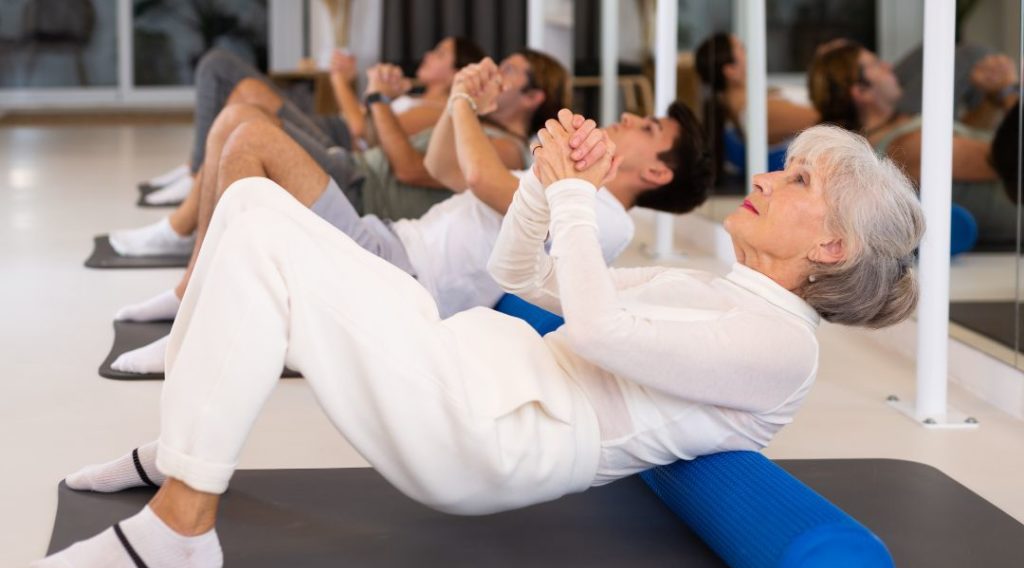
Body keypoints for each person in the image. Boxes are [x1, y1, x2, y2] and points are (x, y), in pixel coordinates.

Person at [32, 116, 923, 568]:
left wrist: (576, 196)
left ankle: (184, 527)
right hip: (467, 358)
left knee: (266, 236)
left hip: (492, 430)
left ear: (832, 248)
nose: (766, 177)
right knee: (252, 209)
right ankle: (172, 448)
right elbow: (519, 279)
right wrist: (545, 186)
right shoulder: (719, 289)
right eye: (786, 167)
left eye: (797, 181)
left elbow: (596, 330)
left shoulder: (782, 347)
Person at [106, 58, 711, 375]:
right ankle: (192, 298)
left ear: (656, 173)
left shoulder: (605, 218)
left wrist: (465, 105)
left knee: (250, 138)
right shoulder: (573, 183)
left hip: (399, 279)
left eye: (648, 128)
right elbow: (448, 168)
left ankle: (196, 326)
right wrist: (458, 101)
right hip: (388, 244)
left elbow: (479, 176)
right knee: (242, 125)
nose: (630, 120)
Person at [110, 49, 563, 261]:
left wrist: (376, 97)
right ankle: (188, 227)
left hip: (360, 192)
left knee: (243, 117)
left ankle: (183, 236)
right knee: (242, 108)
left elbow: (405, 163)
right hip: (353, 171)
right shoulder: (475, 125)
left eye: (507, 72)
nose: (496, 73)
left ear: (531, 97)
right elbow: (428, 164)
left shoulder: (506, 147)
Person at [137, 38, 486, 207]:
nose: (427, 54)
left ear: (457, 73)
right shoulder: (418, 94)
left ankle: (197, 176)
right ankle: (196, 172)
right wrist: (379, 92)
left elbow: (363, 132)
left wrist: (343, 82)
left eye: (440, 54)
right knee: (242, 91)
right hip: (343, 141)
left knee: (229, 77)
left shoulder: (438, 109)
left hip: (343, 146)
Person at [808, 41, 1019, 247]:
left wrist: (993, 101)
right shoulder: (906, 147)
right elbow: (1014, 159)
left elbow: (968, 134)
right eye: (876, 65)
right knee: (975, 53)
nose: (888, 67)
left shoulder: (902, 126)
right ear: (861, 92)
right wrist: (1009, 91)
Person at [694, 32, 820, 184]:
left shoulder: (757, 103)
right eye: (743, 49)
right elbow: (830, 117)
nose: (751, 54)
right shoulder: (755, 113)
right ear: (730, 70)